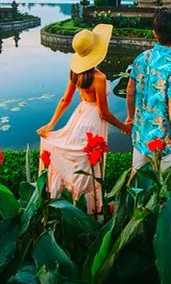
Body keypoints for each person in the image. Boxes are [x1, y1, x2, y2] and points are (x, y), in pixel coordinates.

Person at [38, 24, 129, 214]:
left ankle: (75, 203)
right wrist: (123, 126)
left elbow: (65, 100)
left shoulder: (75, 72)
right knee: (90, 162)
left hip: (79, 117)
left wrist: (51, 124)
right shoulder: (99, 77)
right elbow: (104, 113)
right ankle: (91, 209)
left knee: (81, 159)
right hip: (93, 120)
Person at [125, 10, 171, 173]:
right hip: (166, 144)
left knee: (138, 189)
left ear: (154, 32)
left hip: (141, 138)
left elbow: (130, 91)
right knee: (169, 193)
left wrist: (130, 117)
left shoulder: (142, 58)